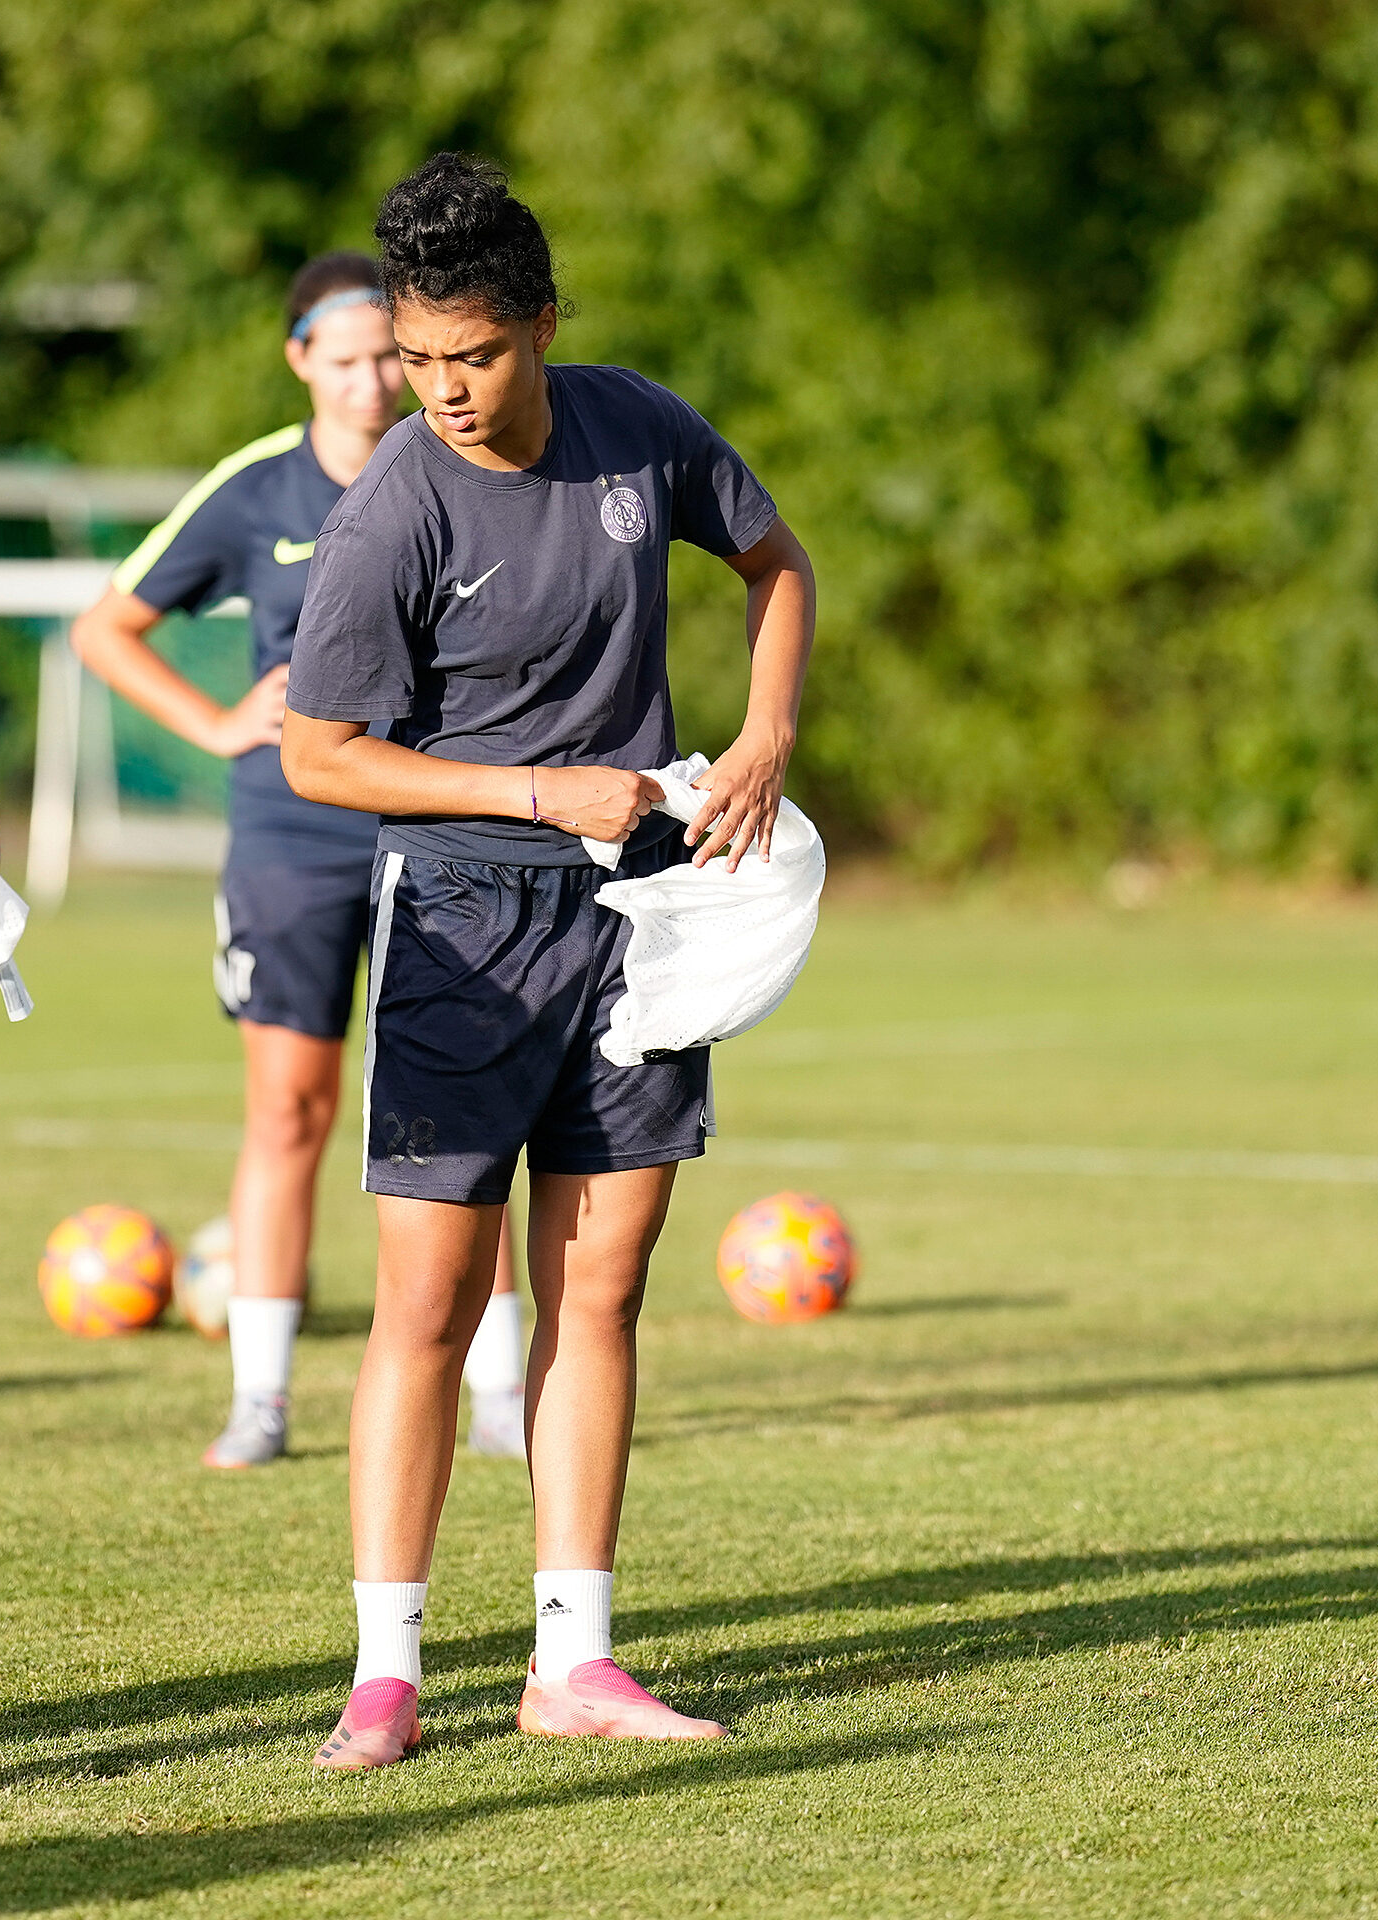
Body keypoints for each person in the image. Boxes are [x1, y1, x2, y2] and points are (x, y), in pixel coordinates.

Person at [279, 154, 816, 1769]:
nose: (442, 391)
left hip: (644, 923)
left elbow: (777, 562)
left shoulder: (638, 427)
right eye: (422, 360)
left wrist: (768, 732)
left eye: (478, 357)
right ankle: (386, 1672)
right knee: (432, 1304)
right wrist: (529, 791)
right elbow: (321, 754)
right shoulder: (391, 504)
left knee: (601, 1284)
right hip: (459, 924)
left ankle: (573, 1662)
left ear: (544, 328)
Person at [71, 253, 528, 1472]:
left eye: (393, 354)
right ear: (301, 364)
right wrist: (220, 722)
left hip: (443, 827)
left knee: (469, 1111)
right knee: (289, 1109)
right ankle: (262, 1399)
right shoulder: (256, 490)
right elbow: (106, 629)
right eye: (348, 357)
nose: (376, 379)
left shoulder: (466, 466)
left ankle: (500, 1393)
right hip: (293, 835)